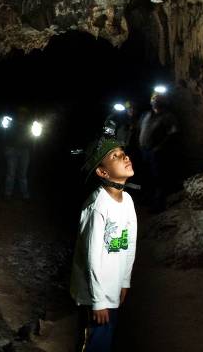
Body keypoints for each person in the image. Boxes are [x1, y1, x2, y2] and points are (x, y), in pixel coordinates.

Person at [70, 137, 138, 352]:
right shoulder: (98, 205)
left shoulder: (127, 200)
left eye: (123, 153)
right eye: (115, 156)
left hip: (112, 285)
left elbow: (130, 243)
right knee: (95, 342)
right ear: (103, 173)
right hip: (93, 292)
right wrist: (98, 300)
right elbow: (92, 257)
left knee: (106, 338)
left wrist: (125, 280)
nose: (124, 157)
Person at [137, 89, 179, 211]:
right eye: (154, 98)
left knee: (158, 179)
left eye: (159, 98)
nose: (156, 100)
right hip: (144, 151)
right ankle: (148, 201)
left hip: (157, 153)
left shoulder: (168, 116)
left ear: (164, 101)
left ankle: (158, 205)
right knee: (146, 177)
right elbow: (139, 130)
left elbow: (174, 133)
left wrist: (160, 147)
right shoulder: (146, 115)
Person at [1, 106, 33, 200]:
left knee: (23, 175)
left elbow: (34, 138)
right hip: (12, 150)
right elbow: (4, 133)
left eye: (24, 113)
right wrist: (6, 148)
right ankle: (8, 194)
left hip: (24, 151)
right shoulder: (11, 122)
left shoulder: (29, 124)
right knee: (11, 173)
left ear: (26, 115)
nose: (22, 115)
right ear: (17, 114)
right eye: (20, 113)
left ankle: (25, 195)